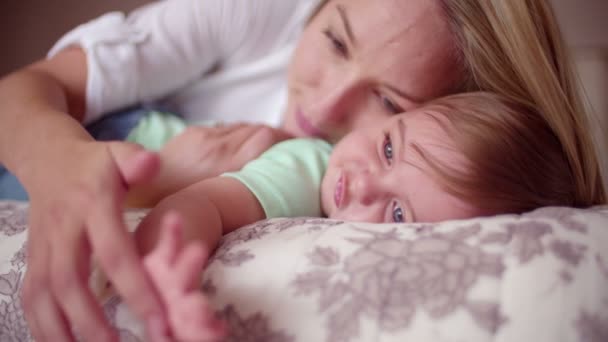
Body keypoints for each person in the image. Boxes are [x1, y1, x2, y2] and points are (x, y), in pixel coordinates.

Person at [0, 0, 604, 340]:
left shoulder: (320, 170)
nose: (323, 107)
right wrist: (66, 164)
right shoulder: (251, 15)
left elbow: (214, 203)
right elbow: (22, 94)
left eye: (391, 102)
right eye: (337, 42)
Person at [131, 92, 595, 341]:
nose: (364, 182)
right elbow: (205, 202)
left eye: (397, 212)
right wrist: (174, 277)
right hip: (130, 129)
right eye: (389, 147)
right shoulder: (307, 164)